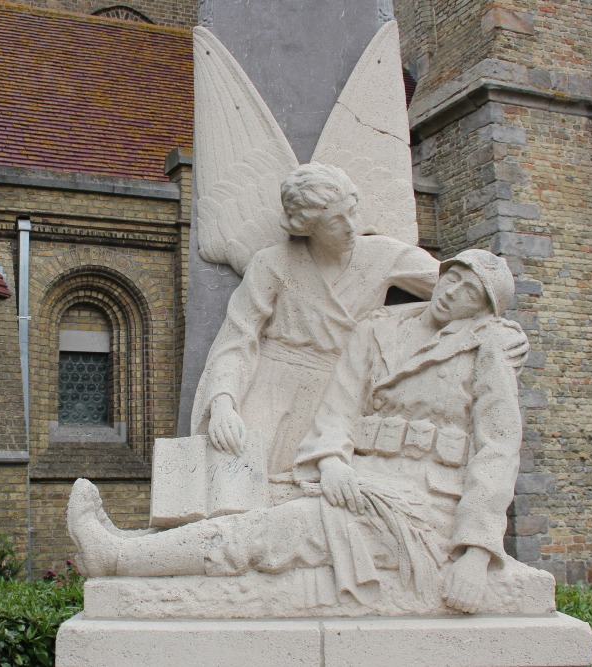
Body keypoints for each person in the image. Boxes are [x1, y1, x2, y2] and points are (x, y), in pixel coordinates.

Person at [70, 250, 529, 613]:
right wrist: (330, 462)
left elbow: (498, 449)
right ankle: (133, 546)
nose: (452, 291)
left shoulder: (490, 345)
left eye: (470, 291)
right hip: (359, 482)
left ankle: (118, 561)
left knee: (274, 531)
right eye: (452, 277)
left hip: (428, 505)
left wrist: (475, 552)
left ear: (485, 310)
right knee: (262, 507)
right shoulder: (379, 328)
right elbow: (339, 408)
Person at [191, 163, 440, 493]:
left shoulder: (383, 255)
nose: (351, 227)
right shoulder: (272, 263)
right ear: (307, 226)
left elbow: (460, 286)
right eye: (336, 221)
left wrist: (493, 326)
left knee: (329, 499)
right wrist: (223, 402)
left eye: (352, 212)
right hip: (272, 391)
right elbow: (239, 337)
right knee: (239, 487)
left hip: (342, 392)